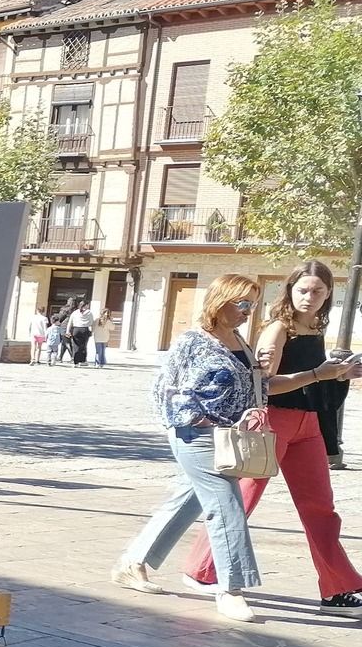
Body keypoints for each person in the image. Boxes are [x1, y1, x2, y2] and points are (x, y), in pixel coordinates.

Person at [183, 261, 362, 614]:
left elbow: (312, 379)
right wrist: (318, 373)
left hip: (308, 425)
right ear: (290, 290)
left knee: (320, 507)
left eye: (318, 291)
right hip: (273, 422)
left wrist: (341, 374)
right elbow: (263, 384)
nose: (309, 297)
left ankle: (338, 587)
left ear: (329, 293)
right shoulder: (279, 328)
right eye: (303, 290)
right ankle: (202, 570)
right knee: (242, 499)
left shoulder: (314, 326)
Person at [113, 274, 275, 623]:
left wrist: (301, 374)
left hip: (228, 437)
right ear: (220, 301)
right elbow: (165, 389)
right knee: (226, 505)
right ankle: (231, 589)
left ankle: (133, 562)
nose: (248, 311)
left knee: (188, 501)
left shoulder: (240, 342)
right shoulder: (192, 342)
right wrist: (196, 419)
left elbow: (258, 388)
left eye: (252, 304)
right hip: (195, 435)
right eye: (242, 303)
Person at [66, 300, 93, 367]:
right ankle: (82, 361)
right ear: (86, 305)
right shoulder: (89, 312)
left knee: (76, 346)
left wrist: (67, 331)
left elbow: (70, 322)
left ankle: (76, 362)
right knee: (83, 346)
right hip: (85, 329)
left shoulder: (75, 312)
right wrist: (91, 331)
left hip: (76, 329)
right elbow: (91, 322)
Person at [91, 302, 113, 367]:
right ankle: (99, 363)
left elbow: (93, 328)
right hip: (102, 337)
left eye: (107, 313)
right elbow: (112, 328)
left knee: (100, 350)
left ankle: (99, 363)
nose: (106, 314)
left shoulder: (98, 320)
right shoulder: (105, 321)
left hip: (100, 337)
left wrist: (92, 332)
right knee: (101, 350)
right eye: (106, 313)